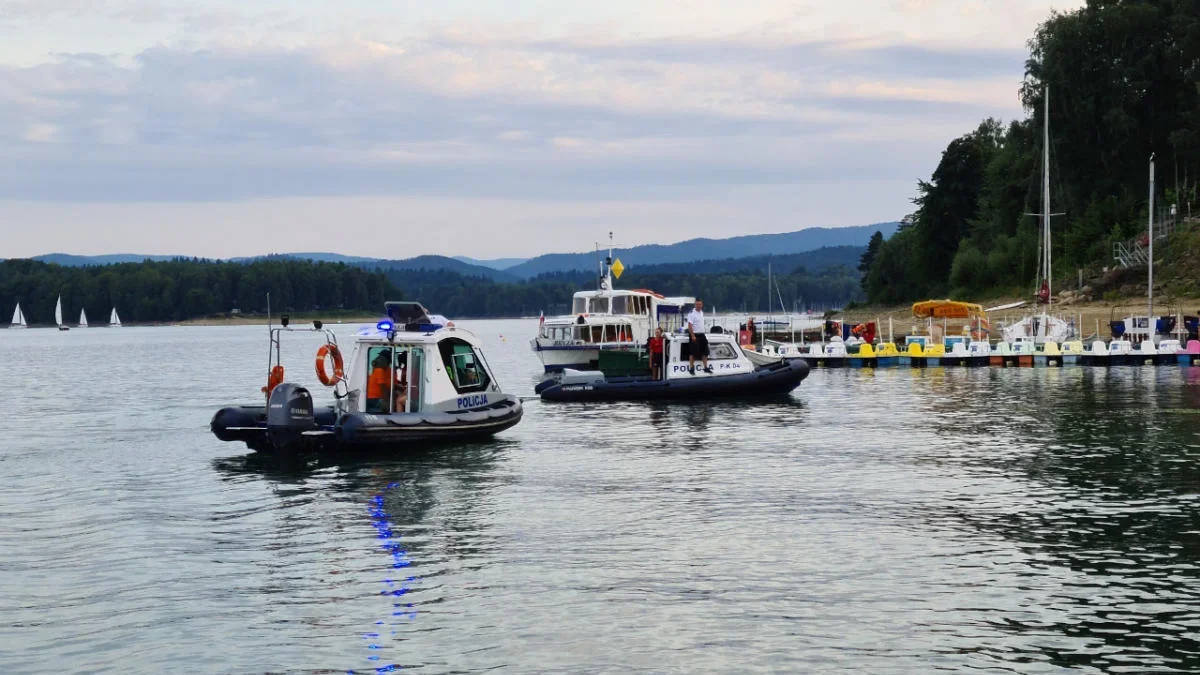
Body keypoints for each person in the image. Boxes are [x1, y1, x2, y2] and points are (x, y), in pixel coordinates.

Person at [686, 299, 711, 374]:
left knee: (705, 351)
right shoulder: (691, 313)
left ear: (702, 305)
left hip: (702, 334)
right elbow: (690, 325)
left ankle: (706, 367)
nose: (698, 306)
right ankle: (691, 368)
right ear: (695, 305)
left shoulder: (701, 313)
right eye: (697, 304)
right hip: (695, 334)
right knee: (693, 352)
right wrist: (692, 335)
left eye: (700, 304)